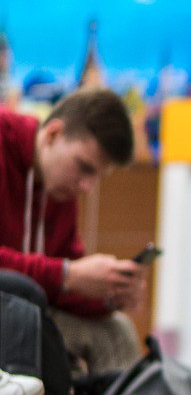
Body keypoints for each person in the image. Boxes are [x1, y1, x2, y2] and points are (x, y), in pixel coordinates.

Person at [0, 89, 147, 376]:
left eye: (97, 176)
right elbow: (62, 276)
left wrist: (108, 294)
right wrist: (68, 275)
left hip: (20, 317)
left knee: (116, 329)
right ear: (53, 134)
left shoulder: (59, 189)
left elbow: (62, 285)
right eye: (84, 167)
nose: (87, 186)